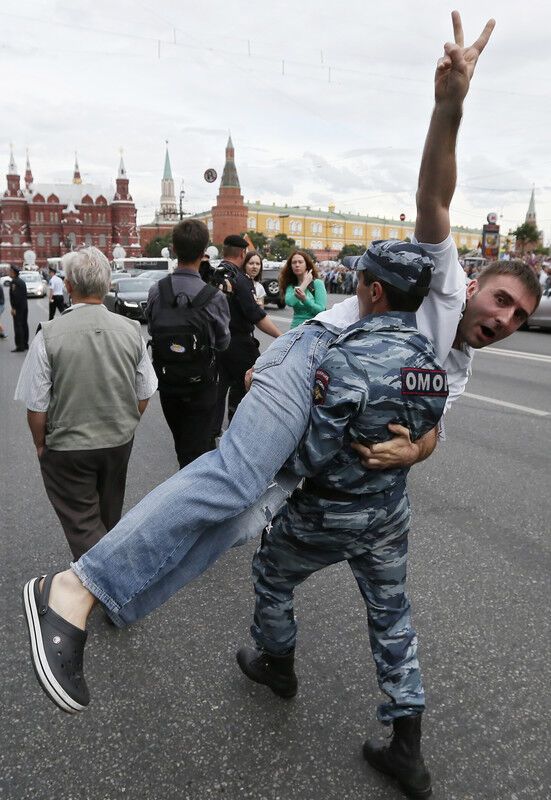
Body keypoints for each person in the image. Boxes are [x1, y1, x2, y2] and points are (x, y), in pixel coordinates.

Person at [21, 12, 539, 726]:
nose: (504, 321)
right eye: (503, 300)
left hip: (328, 433)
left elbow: (429, 429)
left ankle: (94, 601)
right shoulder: (443, 284)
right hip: (313, 362)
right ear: (478, 282)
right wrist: (448, 109)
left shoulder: (455, 363)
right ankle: (69, 592)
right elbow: (435, 199)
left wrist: (411, 446)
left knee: (237, 521)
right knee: (233, 475)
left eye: (516, 320)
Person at [237, 241, 447, 799]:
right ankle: (407, 747)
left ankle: (277, 666)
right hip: (388, 514)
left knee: (273, 573)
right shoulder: (430, 363)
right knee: (391, 616)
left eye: (361, 282)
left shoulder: (347, 358)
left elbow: (311, 454)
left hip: (327, 511)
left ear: (374, 290)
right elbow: (422, 434)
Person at [15, 247, 157, 559]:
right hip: (118, 440)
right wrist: (127, 422)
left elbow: (36, 405)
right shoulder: (131, 330)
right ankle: (106, 576)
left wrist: (41, 445)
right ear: (107, 286)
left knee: (82, 523)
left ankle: (110, 582)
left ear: (68, 286)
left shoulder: (48, 335)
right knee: (108, 513)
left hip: (68, 445)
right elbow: (145, 391)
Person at [146, 219, 231, 469]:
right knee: (197, 449)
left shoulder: (156, 291)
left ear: (173, 248)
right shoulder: (214, 297)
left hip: (168, 383)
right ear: (205, 252)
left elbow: (152, 328)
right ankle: (194, 497)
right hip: (201, 385)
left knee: (182, 445)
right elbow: (223, 342)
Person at [212, 235, 281, 436]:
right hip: (239, 344)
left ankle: (213, 432)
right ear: (242, 253)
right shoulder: (239, 279)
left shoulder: (214, 275)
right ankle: (240, 432)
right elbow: (256, 315)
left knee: (219, 389)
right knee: (250, 384)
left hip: (215, 342)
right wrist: (280, 335)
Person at [280, 250, 327, 327]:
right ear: (290, 266)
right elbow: (290, 302)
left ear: (307, 265)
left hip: (314, 328)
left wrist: (305, 299)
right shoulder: (291, 286)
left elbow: (320, 310)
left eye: (300, 262)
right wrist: (305, 283)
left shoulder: (317, 283)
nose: (297, 265)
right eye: (294, 262)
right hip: (295, 328)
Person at [9, 265, 28, 352]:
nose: (9, 273)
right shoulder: (22, 281)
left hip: (18, 308)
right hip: (24, 306)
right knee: (24, 324)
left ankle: (20, 346)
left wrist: (13, 308)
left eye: (10, 271)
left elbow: (15, 297)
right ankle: (25, 344)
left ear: (13, 273)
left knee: (18, 326)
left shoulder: (14, 282)